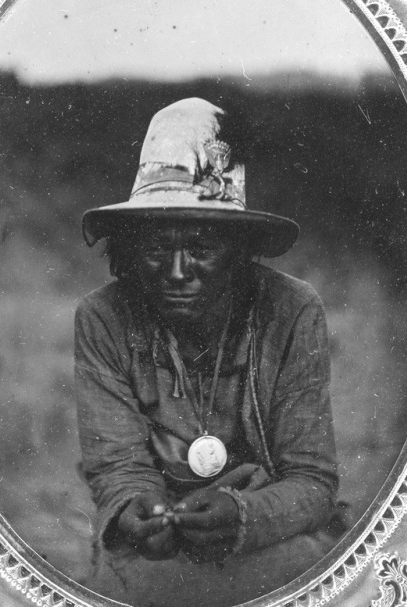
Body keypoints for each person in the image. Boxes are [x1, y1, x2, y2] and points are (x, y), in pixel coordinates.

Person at [75, 98, 338, 607]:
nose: (176, 271)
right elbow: (116, 465)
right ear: (127, 250)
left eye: (200, 247)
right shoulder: (103, 318)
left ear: (240, 251)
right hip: (160, 552)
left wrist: (244, 516)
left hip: (275, 535)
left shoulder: (292, 310)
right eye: (155, 249)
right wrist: (134, 508)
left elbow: (313, 479)